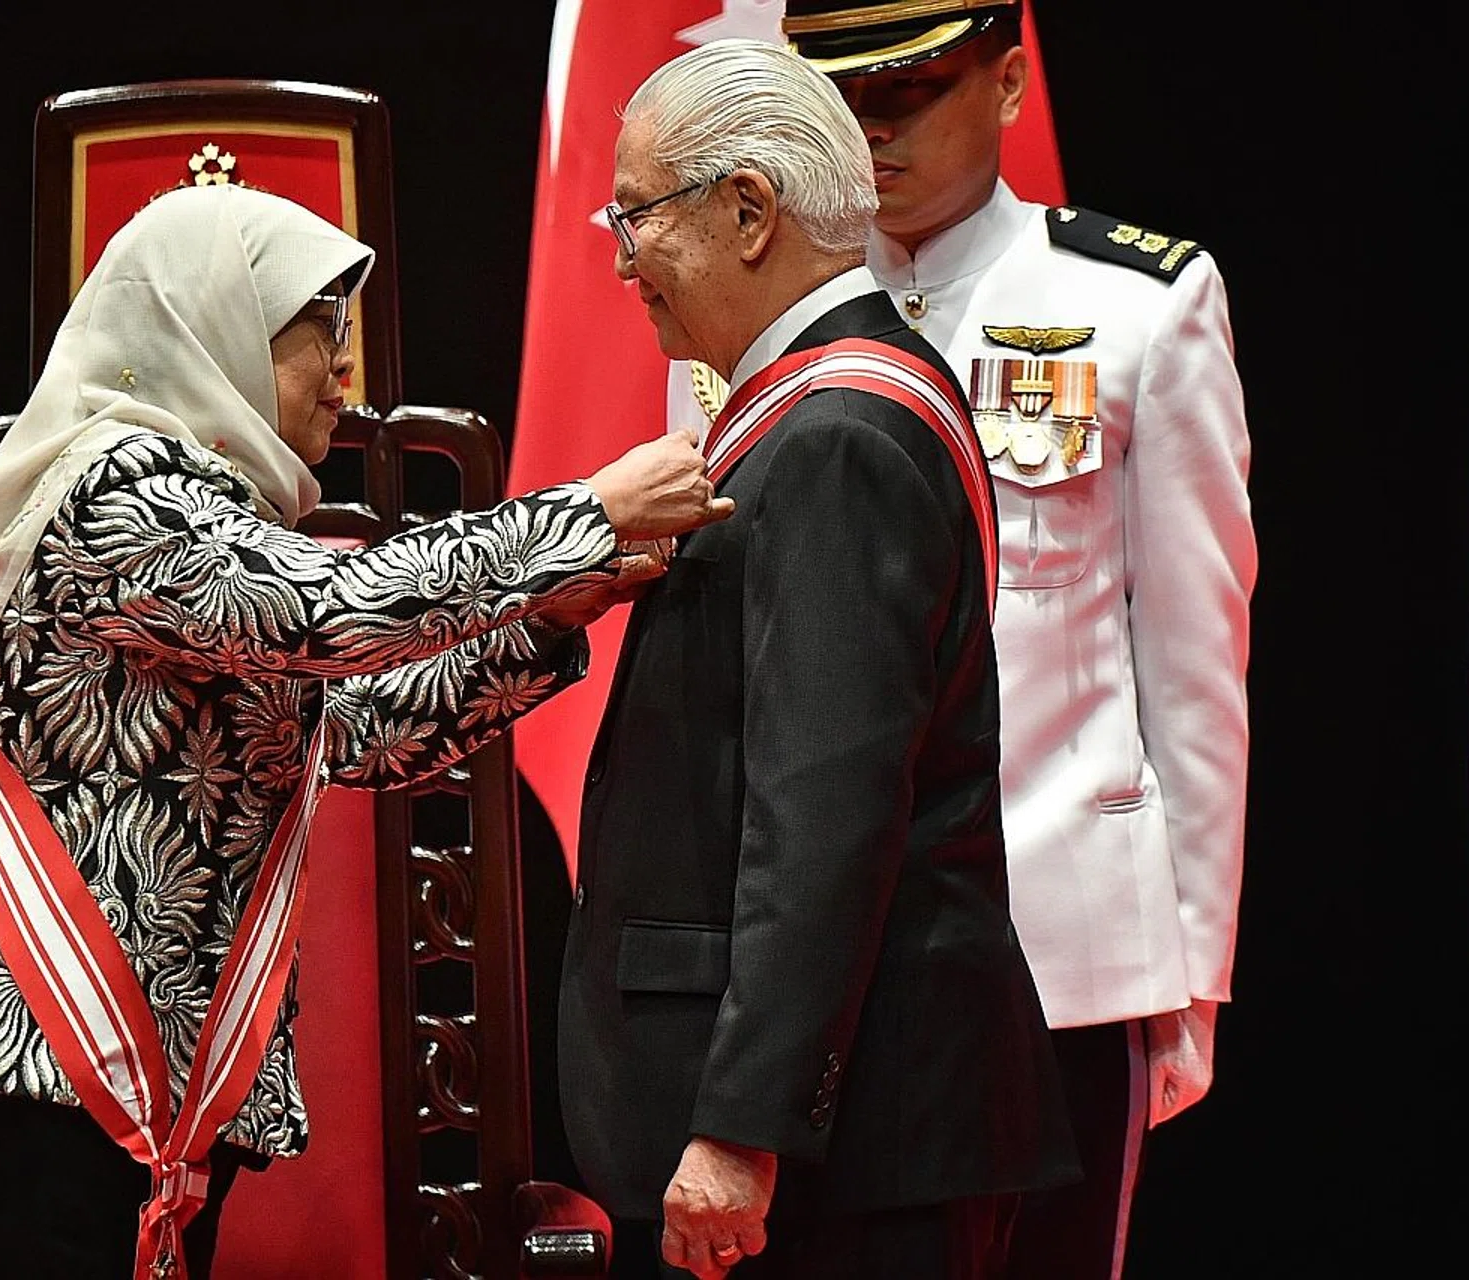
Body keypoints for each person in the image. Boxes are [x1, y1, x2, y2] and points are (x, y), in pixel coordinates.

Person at [0, 183, 732, 1279]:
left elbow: (351, 731)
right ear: (213, 333)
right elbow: (323, 614)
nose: (348, 375)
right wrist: (584, 515)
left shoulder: (206, 513)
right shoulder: (111, 489)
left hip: (152, 1117)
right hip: (29, 1099)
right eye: (317, 336)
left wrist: (544, 624)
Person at [556, 39, 1077, 1280]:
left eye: (635, 217)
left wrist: (743, 1124)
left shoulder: (838, 433)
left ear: (747, 211)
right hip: (848, 1138)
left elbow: (825, 813)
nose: (621, 261)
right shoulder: (815, 412)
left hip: (845, 1157)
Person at [778, 3, 1259, 1276]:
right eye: (841, 98)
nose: (870, 132)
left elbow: (1198, 665)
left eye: (912, 92)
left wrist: (1192, 970)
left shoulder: (1137, 303)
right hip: (820, 963)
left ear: (1005, 78)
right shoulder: (768, 312)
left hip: (1061, 939)